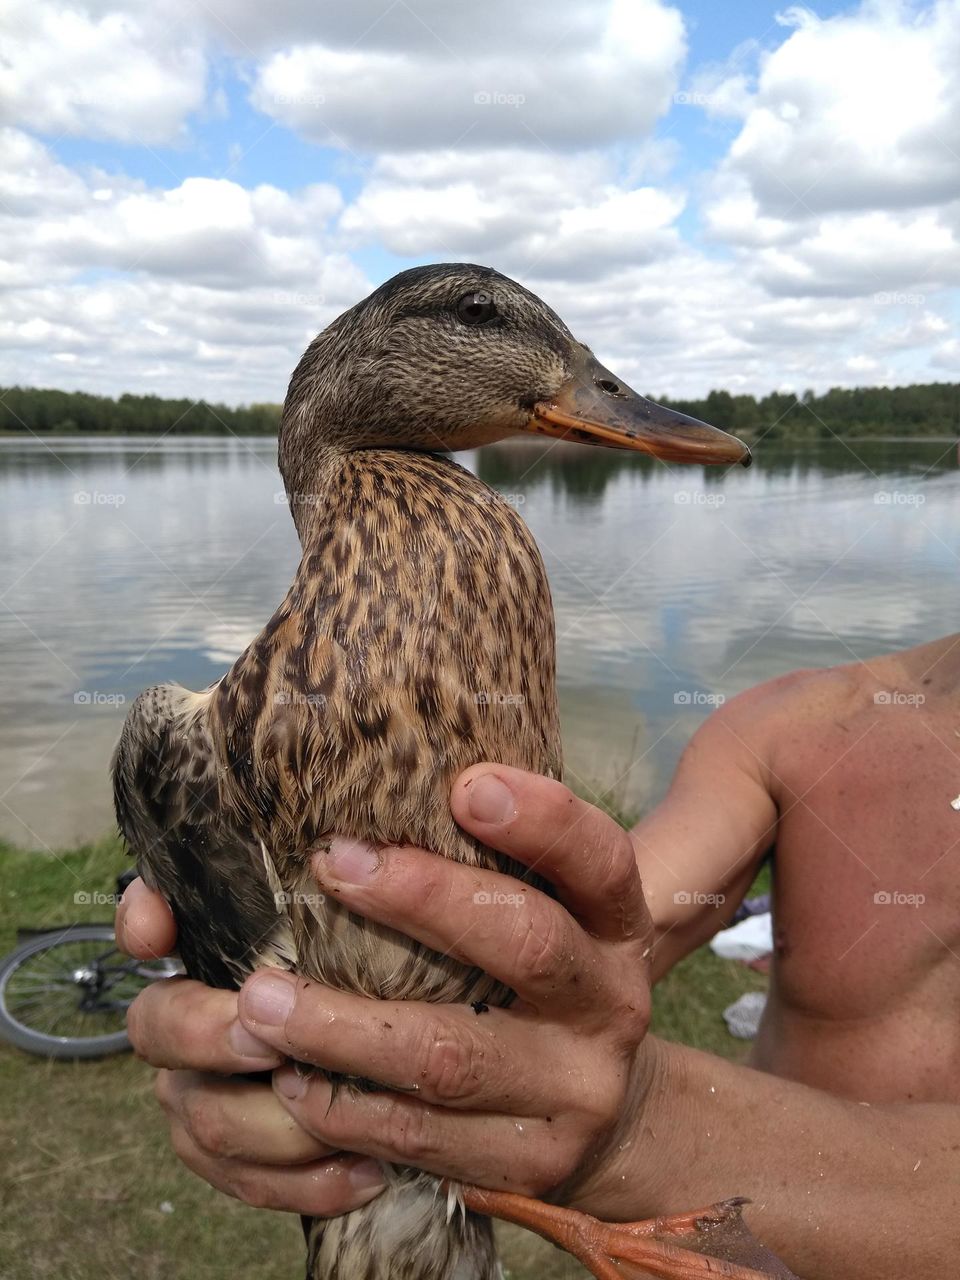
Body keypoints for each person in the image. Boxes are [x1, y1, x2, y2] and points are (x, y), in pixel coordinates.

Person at [116, 635, 960, 1279]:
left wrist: (634, 1129)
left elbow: (617, 1103)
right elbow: (613, 942)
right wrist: (317, 1022)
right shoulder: (799, 724)